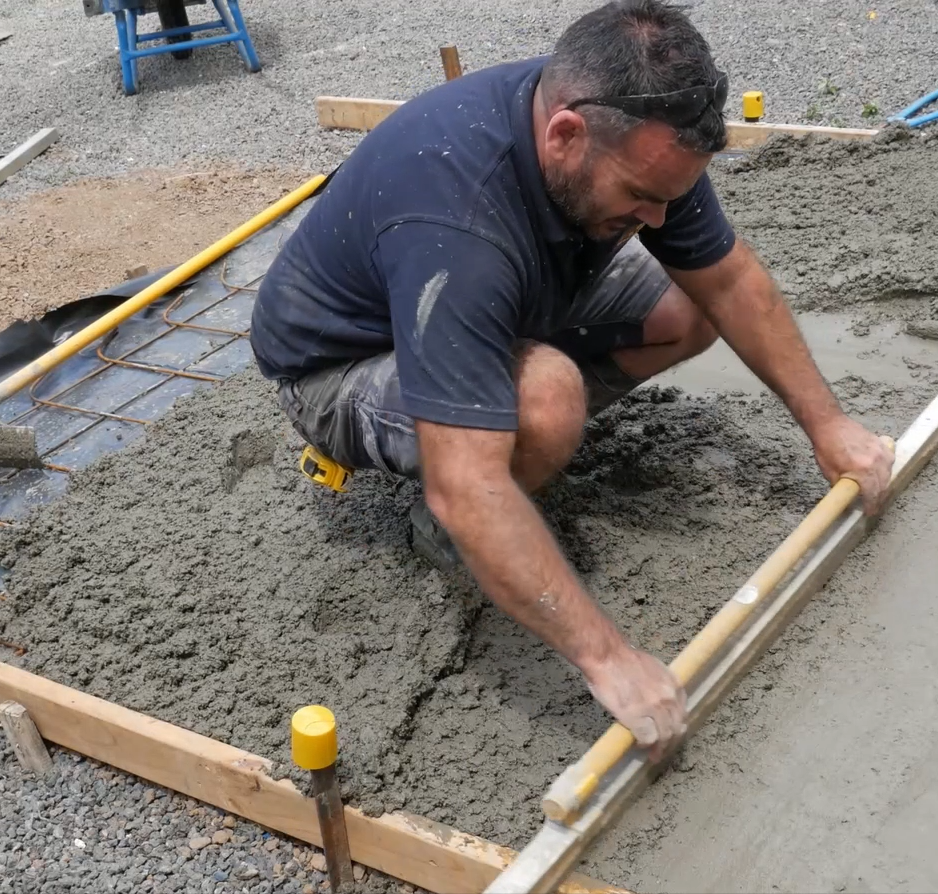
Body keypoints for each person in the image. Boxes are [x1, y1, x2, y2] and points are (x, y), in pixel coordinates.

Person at [250, 0, 893, 760]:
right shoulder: (456, 223)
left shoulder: (631, 132)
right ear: (564, 134)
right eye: (639, 196)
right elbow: (465, 483)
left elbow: (729, 281)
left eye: (670, 196)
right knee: (544, 401)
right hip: (339, 367)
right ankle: (455, 520)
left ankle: (502, 416)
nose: (658, 218)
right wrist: (610, 660)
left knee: (685, 310)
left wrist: (830, 427)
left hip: (496, 294)